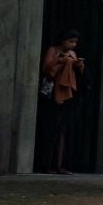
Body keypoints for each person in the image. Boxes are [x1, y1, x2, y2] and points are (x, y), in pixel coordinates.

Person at [36, 29, 85, 174]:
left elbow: (79, 74)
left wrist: (77, 64)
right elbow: (47, 68)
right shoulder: (53, 50)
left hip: (66, 94)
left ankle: (60, 164)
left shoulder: (72, 54)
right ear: (63, 40)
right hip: (51, 93)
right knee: (50, 129)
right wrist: (61, 60)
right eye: (70, 41)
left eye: (75, 42)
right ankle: (46, 164)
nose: (73, 45)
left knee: (62, 130)